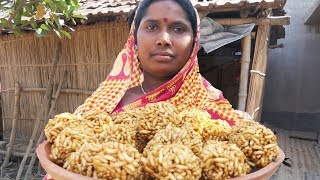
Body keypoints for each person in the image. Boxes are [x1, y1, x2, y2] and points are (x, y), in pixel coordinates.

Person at [74, 0, 246, 126]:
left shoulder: (212, 109)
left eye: (179, 29)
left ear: (195, 42)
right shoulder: (106, 101)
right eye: (151, 27)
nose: (164, 40)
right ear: (134, 39)